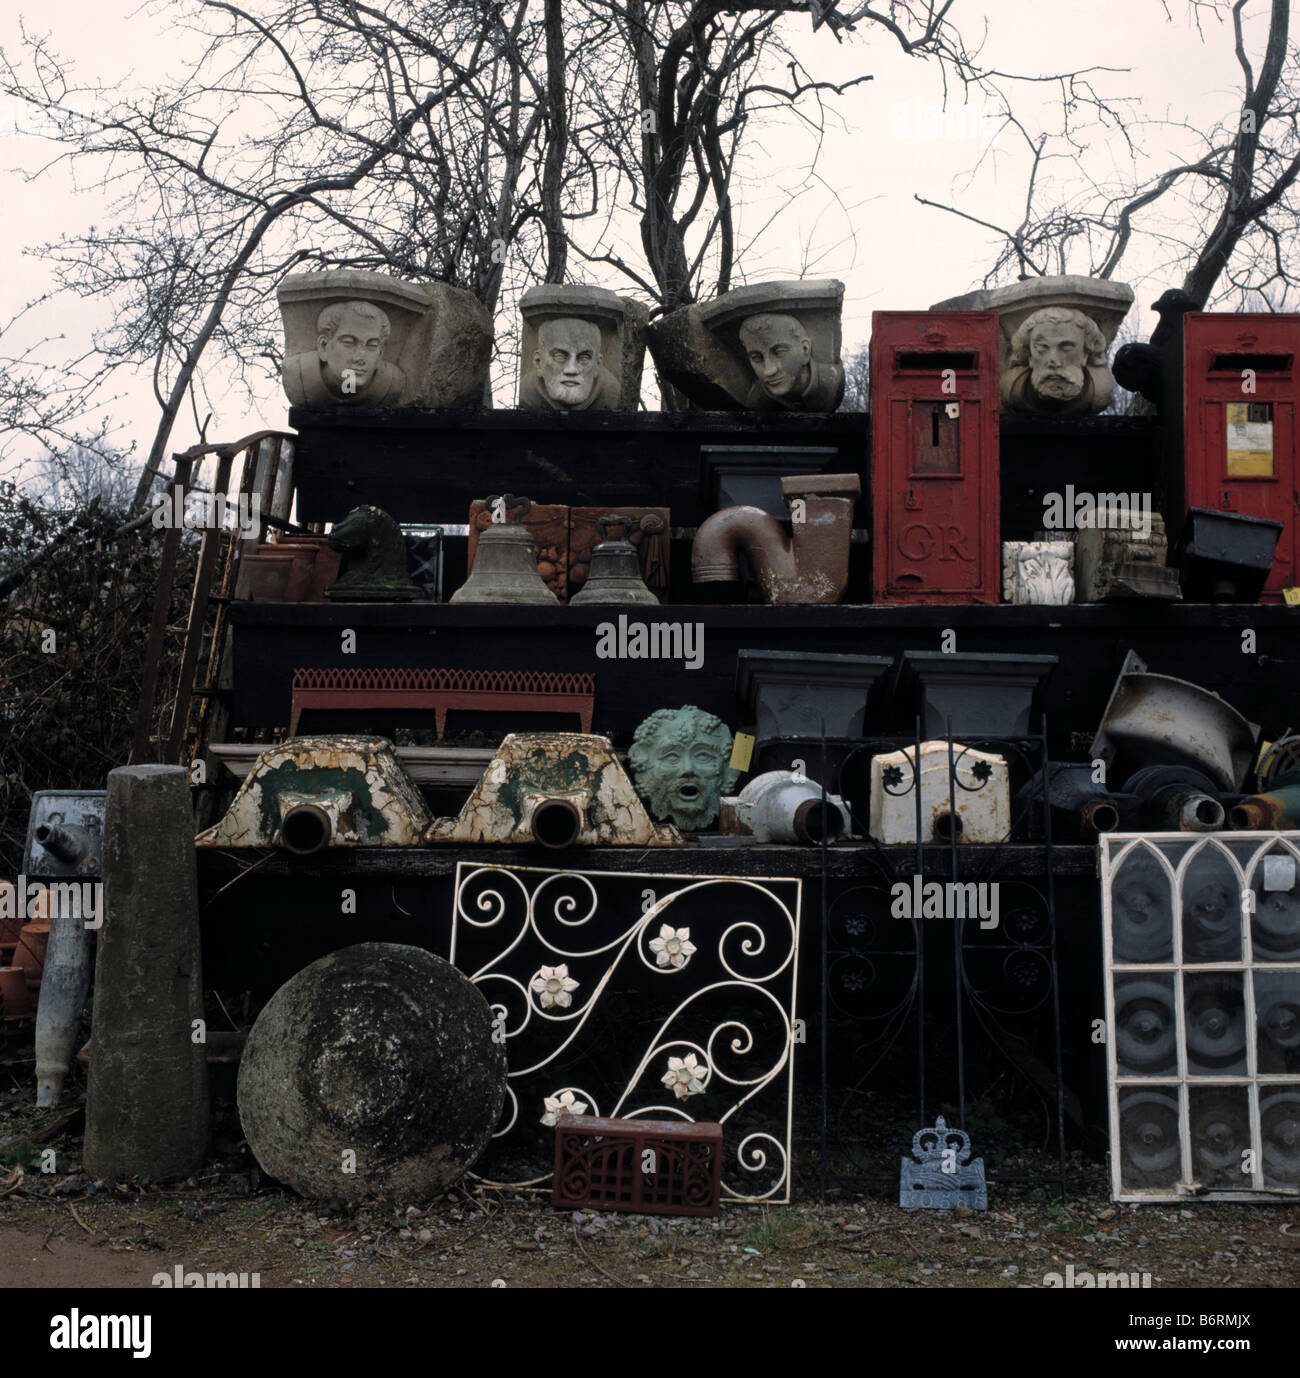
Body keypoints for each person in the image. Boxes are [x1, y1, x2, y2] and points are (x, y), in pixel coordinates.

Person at [282, 299, 405, 405]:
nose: (360, 357)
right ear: (323, 346)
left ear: (380, 354)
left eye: (372, 345)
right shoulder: (301, 377)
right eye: (349, 343)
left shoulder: (391, 385)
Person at [739, 312, 844, 411]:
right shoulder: (758, 400)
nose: (769, 371)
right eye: (757, 358)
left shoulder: (831, 381)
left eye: (779, 352)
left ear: (805, 349)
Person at [521, 316, 621, 410]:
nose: (571, 370)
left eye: (584, 358)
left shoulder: (610, 394)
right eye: (559, 357)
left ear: (597, 365)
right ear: (538, 363)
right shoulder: (528, 393)